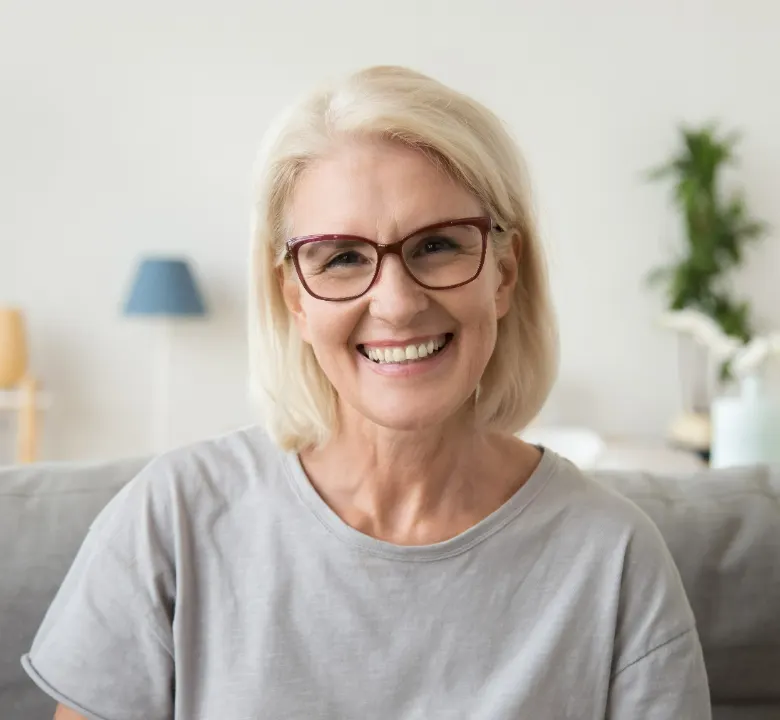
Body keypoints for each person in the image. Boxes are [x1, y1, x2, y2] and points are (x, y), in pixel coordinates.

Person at [24, 65, 710, 719]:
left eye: (437, 244)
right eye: (343, 257)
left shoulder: (615, 558)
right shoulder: (169, 520)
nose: (398, 303)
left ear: (503, 273)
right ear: (293, 296)